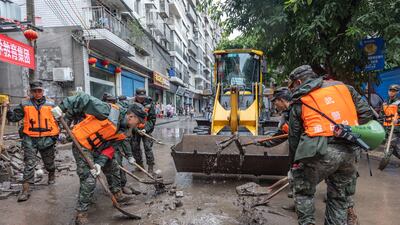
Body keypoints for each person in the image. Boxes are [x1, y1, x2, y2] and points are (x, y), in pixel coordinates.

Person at [287, 65, 373, 225]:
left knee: (303, 191)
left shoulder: (300, 100)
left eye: (292, 86)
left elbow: (294, 139)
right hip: (350, 151)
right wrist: (345, 130)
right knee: (339, 197)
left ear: (298, 82)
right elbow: (367, 114)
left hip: (319, 152)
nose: (292, 90)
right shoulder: (344, 88)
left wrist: (294, 166)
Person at [51, 92, 145, 225]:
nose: (139, 125)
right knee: (89, 179)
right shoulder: (108, 111)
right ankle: (81, 213)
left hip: (98, 148)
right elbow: (83, 98)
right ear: (131, 116)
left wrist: (99, 164)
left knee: (113, 166)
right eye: (139, 121)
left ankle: (117, 195)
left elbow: (111, 148)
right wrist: (62, 108)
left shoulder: (125, 130)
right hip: (82, 144)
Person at [5, 81, 60, 202]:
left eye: (39, 91)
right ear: (31, 92)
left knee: (49, 163)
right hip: (30, 137)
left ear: (43, 91)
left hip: (47, 138)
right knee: (29, 163)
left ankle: (51, 173)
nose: (37, 93)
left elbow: (59, 119)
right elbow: (15, 117)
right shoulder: (24, 103)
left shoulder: (51, 104)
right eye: (34, 91)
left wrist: (56, 135)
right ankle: (26, 190)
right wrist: (8, 111)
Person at [131, 88, 157, 174]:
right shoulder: (131, 104)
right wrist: (135, 129)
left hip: (146, 129)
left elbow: (152, 119)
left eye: (143, 97)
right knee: (135, 148)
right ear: (136, 96)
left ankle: (150, 166)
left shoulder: (149, 104)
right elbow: (128, 118)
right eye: (139, 97)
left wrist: (146, 129)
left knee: (148, 147)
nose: (141, 98)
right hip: (135, 130)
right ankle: (139, 165)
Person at [381, 84, 400, 159]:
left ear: (397, 92)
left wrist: (398, 120)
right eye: (390, 90)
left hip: (396, 128)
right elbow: (381, 114)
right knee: (393, 147)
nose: (391, 92)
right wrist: (380, 124)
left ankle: (382, 164)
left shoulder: (399, 102)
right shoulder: (385, 102)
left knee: (389, 145)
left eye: (394, 91)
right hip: (386, 127)